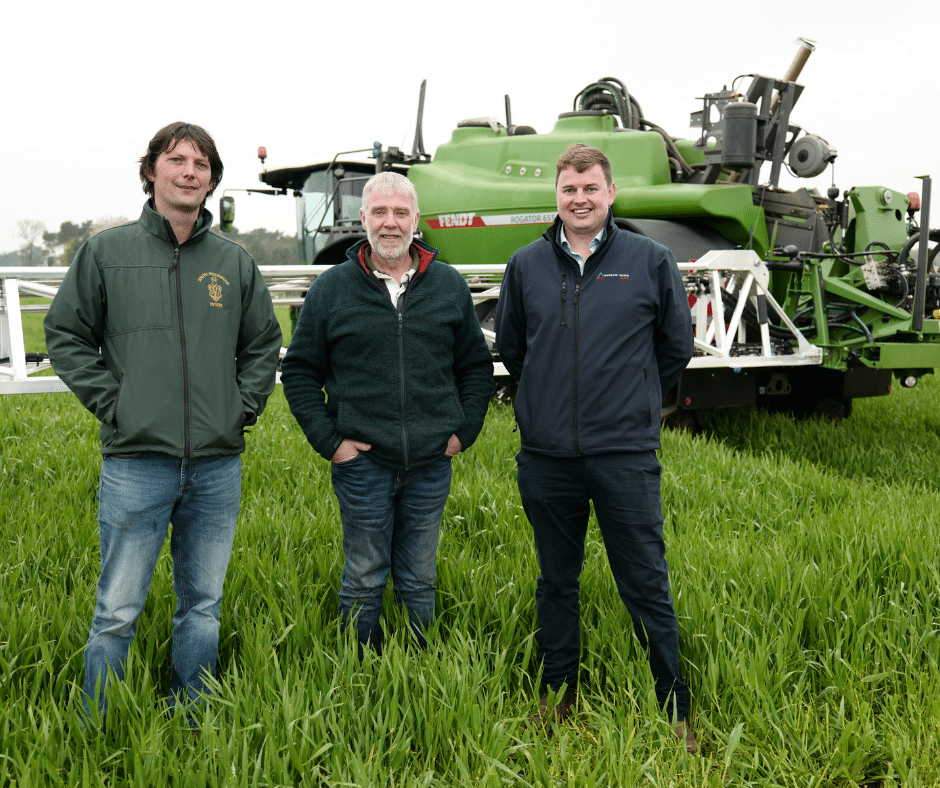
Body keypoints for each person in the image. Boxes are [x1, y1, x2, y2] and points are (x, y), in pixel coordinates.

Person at [44, 122, 283, 725]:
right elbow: (66, 335)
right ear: (151, 171)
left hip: (215, 463)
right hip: (136, 461)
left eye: (201, 164)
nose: (189, 172)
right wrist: (115, 403)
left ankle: (193, 712)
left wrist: (242, 406)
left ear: (212, 180)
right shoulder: (106, 252)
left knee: (202, 604)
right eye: (176, 160)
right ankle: (95, 722)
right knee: (118, 608)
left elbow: (263, 345)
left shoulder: (233, 262)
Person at [494, 143, 697, 753]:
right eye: (568, 190)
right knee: (557, 581)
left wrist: (630, 403)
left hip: (624, 456)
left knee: (645, 580)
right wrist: (547, 406)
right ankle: (558, 693)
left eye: (590, 189)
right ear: (556, 196)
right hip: (548, 457)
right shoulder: (525, 264)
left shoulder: (650, 260)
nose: (579, 200)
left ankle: (674, 707)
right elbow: (512, 349)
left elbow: (675, 347)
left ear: (610, 194)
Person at [280, 171, 493, 657]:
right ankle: (358, 674)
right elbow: (299, 371)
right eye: (380, 212)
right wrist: (332, 444)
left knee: (419, 579)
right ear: (363, 219)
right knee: (363, 576)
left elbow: (476, 367)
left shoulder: (447, 285)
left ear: (416, 220)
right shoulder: (332, 289)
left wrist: (463, 432)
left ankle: (419, 672)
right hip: (363, 465)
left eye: (401, 213)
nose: (390, 223)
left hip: (430, 462)